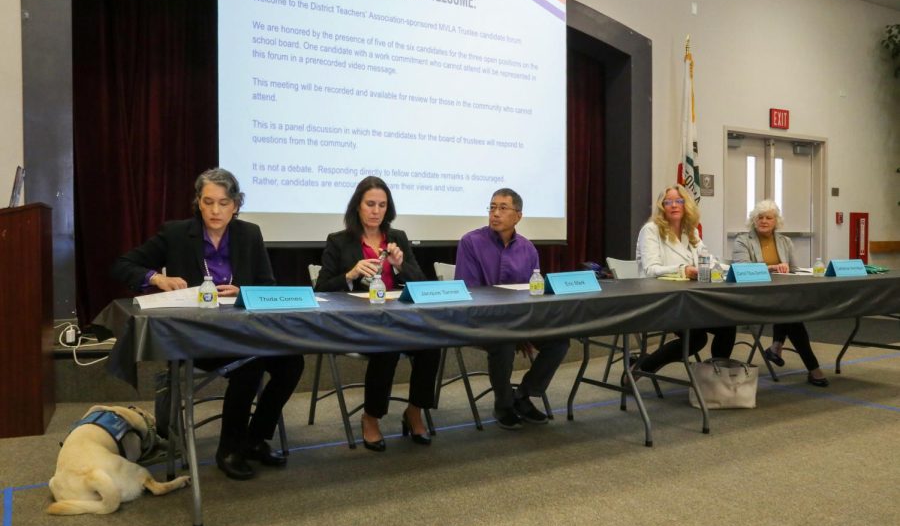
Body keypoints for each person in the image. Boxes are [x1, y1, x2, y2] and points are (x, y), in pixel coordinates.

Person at [111, 168, 303, 480]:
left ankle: (255, 438)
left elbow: (268, 285)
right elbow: (123, 265)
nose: (215, 211)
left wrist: (244, 291)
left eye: (224, 203)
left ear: (236, 205)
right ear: (198, 203)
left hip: (243, 331)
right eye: (208, 202)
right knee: (250, 365)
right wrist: (157, 277)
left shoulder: (249, 234)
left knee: (291, 363)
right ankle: (229, 448)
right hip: (196, 337)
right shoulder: (176, 234)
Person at [314, 176, 439, 452]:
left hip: (400, 319)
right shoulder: (339, 241)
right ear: (357, 206)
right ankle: (371, 417)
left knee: (432, 344)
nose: (376, 210)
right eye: (370, 204)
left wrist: (399, 266)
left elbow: (421, 283)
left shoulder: (398, 239)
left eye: (382, 205)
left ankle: (415, 410)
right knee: (388, 347)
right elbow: (321, 288)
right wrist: (351, 274)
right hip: (359, 323)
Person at [454, 188, 569, 430]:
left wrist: (525, 322)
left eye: (502, 208)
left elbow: (534, 291)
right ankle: (504, 404)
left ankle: (524, 395)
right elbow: (470, 291)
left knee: (559, 340)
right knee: (504, 339)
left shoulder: (528, 249)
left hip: (521, 319)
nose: (495, 213)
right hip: (483, 320)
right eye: (492, 207)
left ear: (518, 216)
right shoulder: (471, 242)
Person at [633, 184, 736, 374]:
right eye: (668, 202)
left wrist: (734, 270)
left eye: (679, 201)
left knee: (728, 325)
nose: (674, 205)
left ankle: (717, 378)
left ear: (686, 204)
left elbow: (708, 261)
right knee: (697, 338)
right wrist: (684, 270)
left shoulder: (692, 231)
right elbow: (650, 269)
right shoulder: (651, 230)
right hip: (661, 300)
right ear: (661, 206)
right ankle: (642, 369)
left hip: (692, 299)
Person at [732, 200, 829, 387]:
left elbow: (793, 270)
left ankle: (777, 347)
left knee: (788, 310)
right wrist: (771, 268)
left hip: (780, 296)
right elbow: (740, 268)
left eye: (769, 217)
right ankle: (813, 367)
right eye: (760, 217)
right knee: (791, 316)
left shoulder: (785, 242)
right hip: (753, 296)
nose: (764, 221)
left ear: (776, 221)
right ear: (753, 220)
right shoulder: (742, 240)